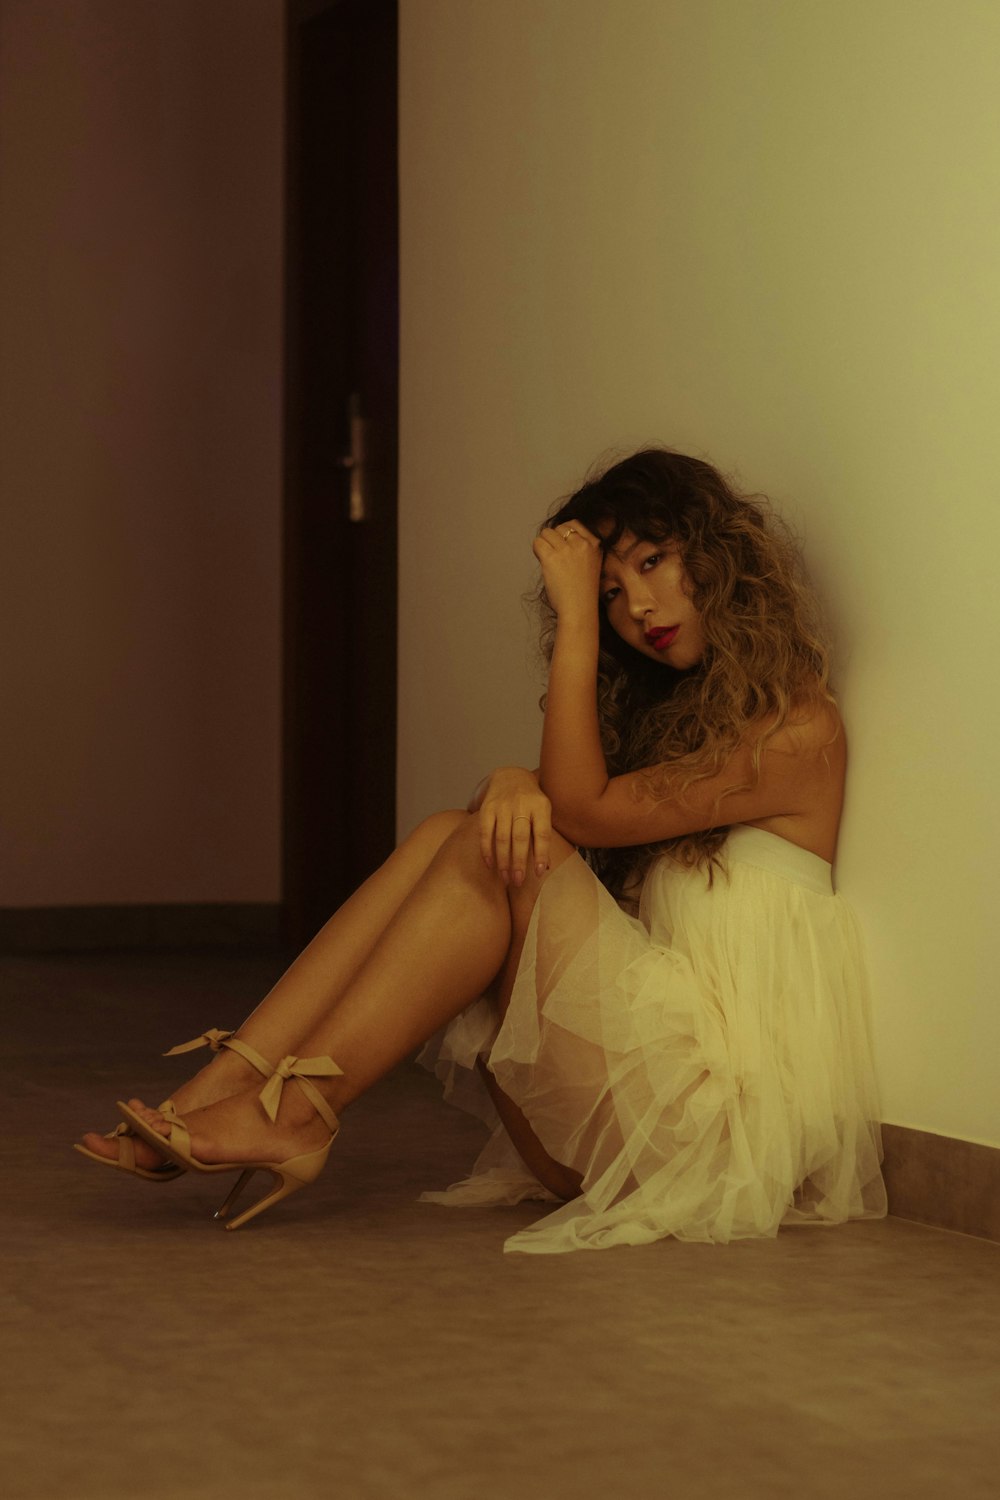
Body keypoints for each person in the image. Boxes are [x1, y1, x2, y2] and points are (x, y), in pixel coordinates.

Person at [77, 447, 887, 1251]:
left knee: (503, 848)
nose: (637, 605)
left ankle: (290, 1117)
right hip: (611, 1122)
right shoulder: (686, 727)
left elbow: (583, 810)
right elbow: (568, 804)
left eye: (654, 560)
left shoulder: (798, 731)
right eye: (608, 593)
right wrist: (512, 778)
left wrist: (570, 628)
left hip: (704, 1140)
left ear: (719, 555)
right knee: (451, 832)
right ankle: (222, 1088)